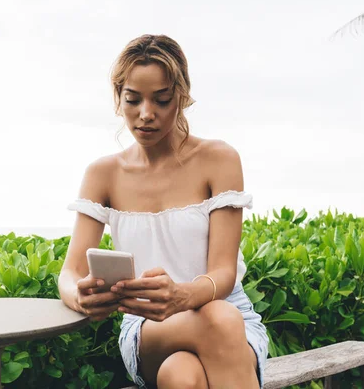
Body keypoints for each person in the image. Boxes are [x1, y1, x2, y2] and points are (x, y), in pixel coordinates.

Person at [58, 34, 269, 389]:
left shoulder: (219, 160)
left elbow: (224, 272)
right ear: (118, 98)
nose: (145, 114)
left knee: (182, 375)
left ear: (182, 98)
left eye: (161, 100)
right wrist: (79, 296)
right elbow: (69, 273)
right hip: (148, 325)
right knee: (216, 322)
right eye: (132, 100)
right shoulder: (103, 174)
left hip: (231, 316)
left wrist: (183, 296)